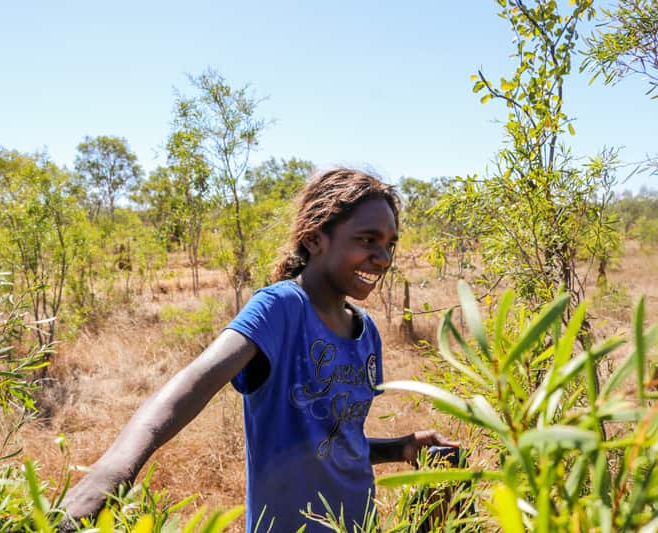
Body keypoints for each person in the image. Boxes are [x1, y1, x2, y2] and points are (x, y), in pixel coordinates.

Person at [60, 168, 457, 532]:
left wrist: (402, 448)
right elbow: (193, 382)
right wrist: (109, 474)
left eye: (389, 244)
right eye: (367, 240)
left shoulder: (366, 332)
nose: (383, 257)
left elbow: (333, 445)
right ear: (315, 238)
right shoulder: (282, 307)